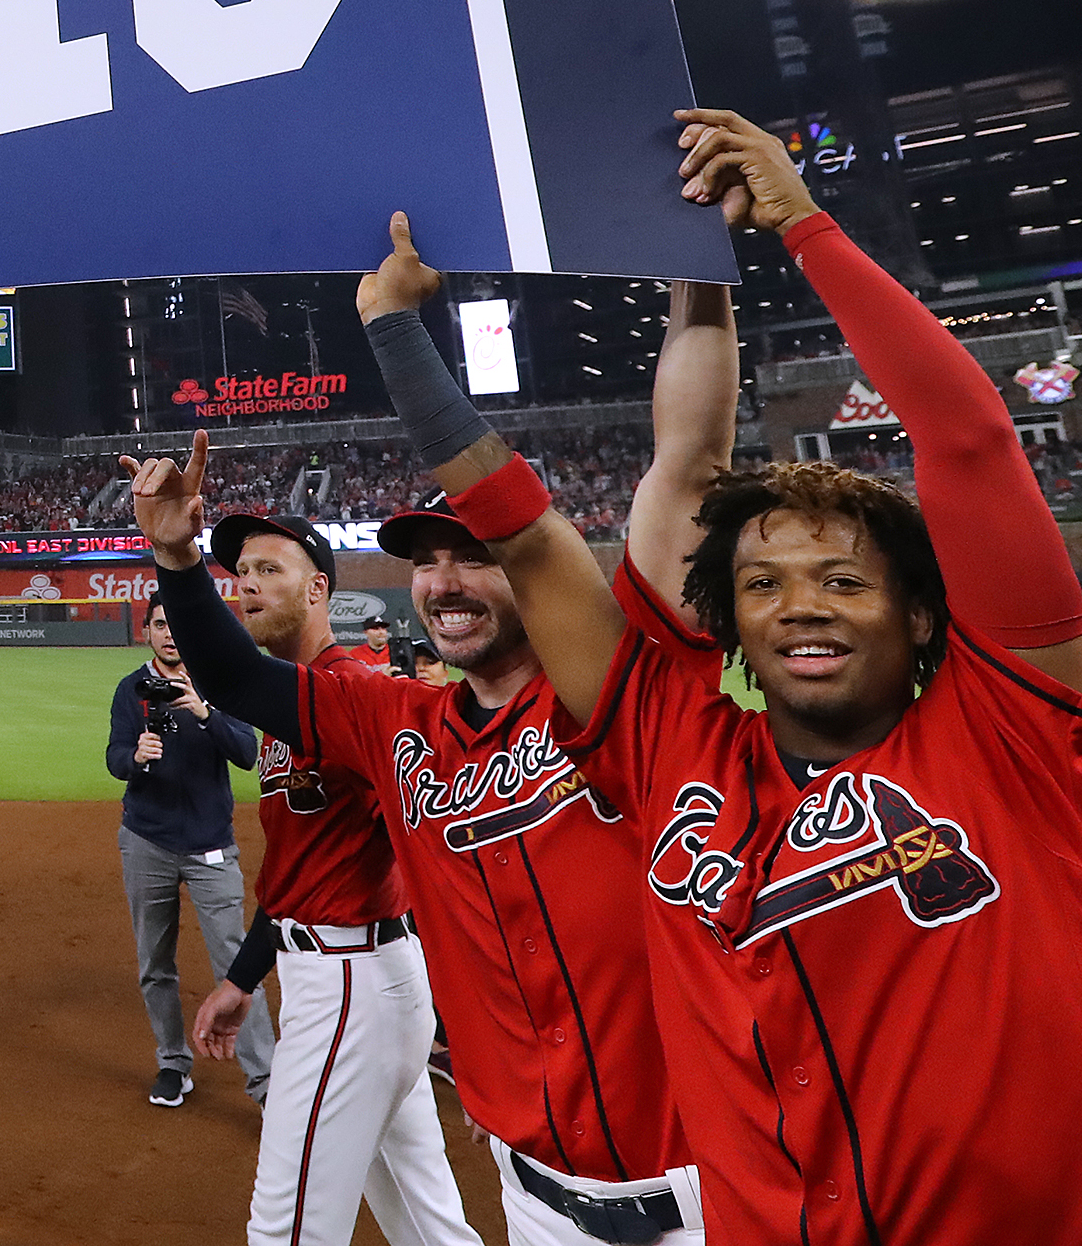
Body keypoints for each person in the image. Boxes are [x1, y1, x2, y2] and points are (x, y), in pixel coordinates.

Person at [367, 111, 1082, 1243]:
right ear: (729, 624)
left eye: (842, 579)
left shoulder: (1017, 739)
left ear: (921, 611)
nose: (798, 600)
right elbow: (534, 539)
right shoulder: (668, 745)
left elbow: (972, 444)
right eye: (763, 583)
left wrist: (800, 224)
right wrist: (394, 330)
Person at [139, 277, 739, 1246]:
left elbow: (691, 462)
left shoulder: (625, 699)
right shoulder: (390, 718)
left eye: (471, 555)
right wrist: (174, 560)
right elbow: (236, 677)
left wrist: (690, 268)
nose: (443, 581)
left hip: (706, 1194)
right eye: (423, 561)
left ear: (532, 576)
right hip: (534, 1193)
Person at [176, 515, 481, 1246]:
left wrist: (472, 1026)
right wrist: (243, 978)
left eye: (268, 569)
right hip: (357, 978)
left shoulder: (352, 693)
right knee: (429, 1227)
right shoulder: (293, 705)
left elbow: (436, 861)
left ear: (318, 588)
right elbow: (298, 874)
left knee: (283, 1232)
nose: (245, 583)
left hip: (351, 985)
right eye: (239, 570)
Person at [107, 596, 271, 1108]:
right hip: (145, 841)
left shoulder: (216, 685)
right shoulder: (130, 689)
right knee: (154, 961)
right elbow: (114, 757)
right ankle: (173, 1063)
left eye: (176, 625)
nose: (168, 634)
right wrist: (133, 756)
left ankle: (267, 1083)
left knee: (236, 962)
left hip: (209, 846)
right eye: (159, 624)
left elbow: (247, 753)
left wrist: (204, 713)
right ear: (146, 632)